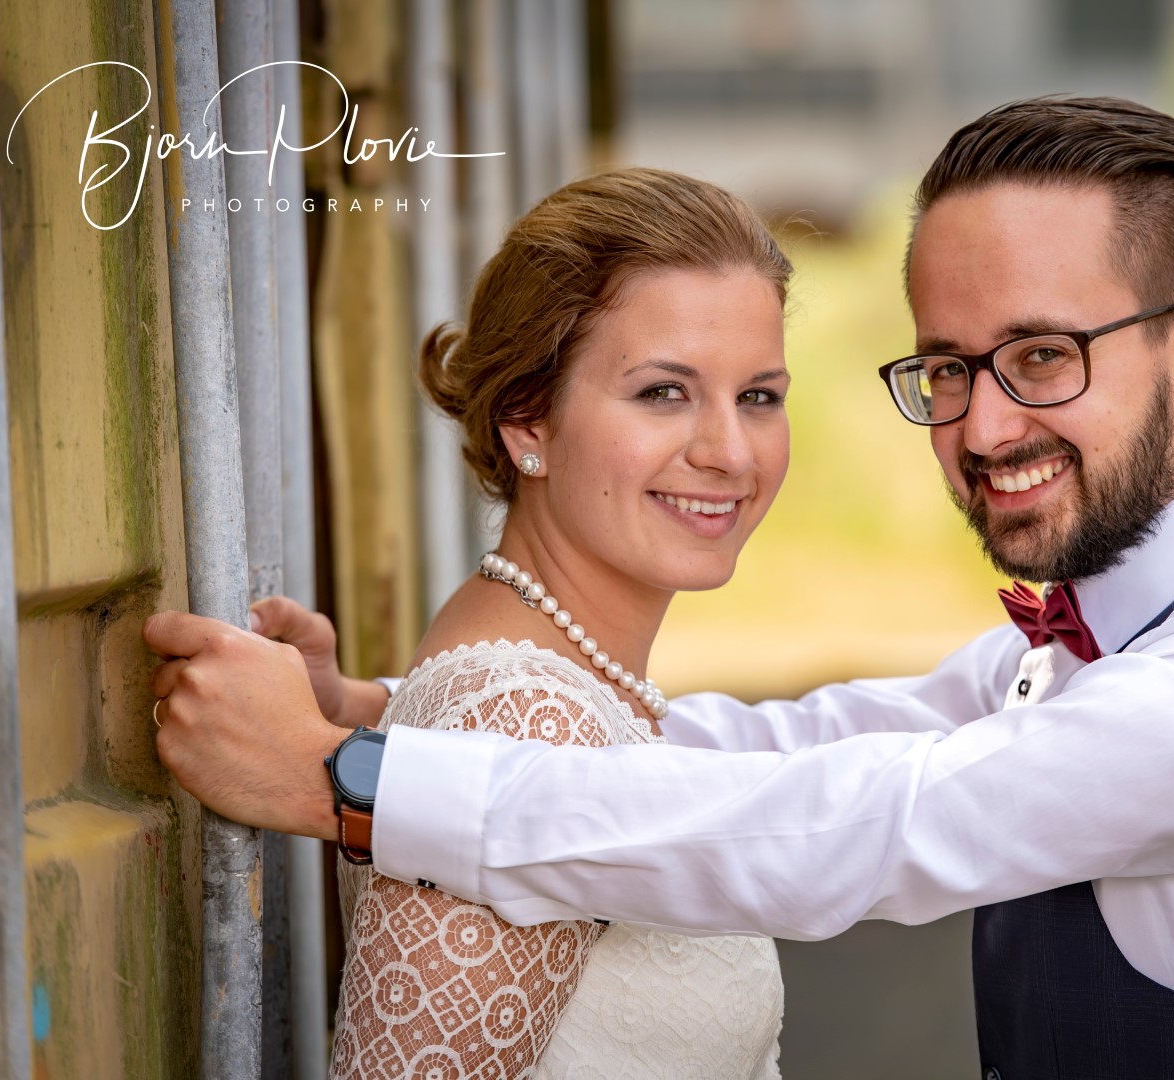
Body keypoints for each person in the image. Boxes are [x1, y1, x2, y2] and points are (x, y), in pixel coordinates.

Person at [147, 97, 1174, 1080]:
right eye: (948, 369)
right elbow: (808, 744)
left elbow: (869, 819)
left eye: (1043, 356)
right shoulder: (1092, 644)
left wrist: (342, 784)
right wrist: (382, 712)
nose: (984, 427)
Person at [157, 167, 796, 1077]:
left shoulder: (561, 685)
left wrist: (363, 705)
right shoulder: (520, 715)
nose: (730, 452)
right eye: (664, 392)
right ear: (526, 420)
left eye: (759, 396)